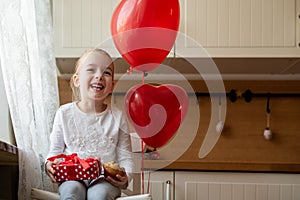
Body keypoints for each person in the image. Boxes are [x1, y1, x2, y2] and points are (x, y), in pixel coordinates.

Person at [45, 48, 133, 200]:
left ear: (111, 85)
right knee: (72, 191)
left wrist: (127, 177)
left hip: (104, 179)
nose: (99, 76)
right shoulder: (64, 113)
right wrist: (49, 164)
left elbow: (126, 158)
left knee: (99, 195)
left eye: (106, 72)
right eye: (91, 69)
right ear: (77, 80)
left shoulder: (118, 117)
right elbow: (54, 153)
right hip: (72, 176)